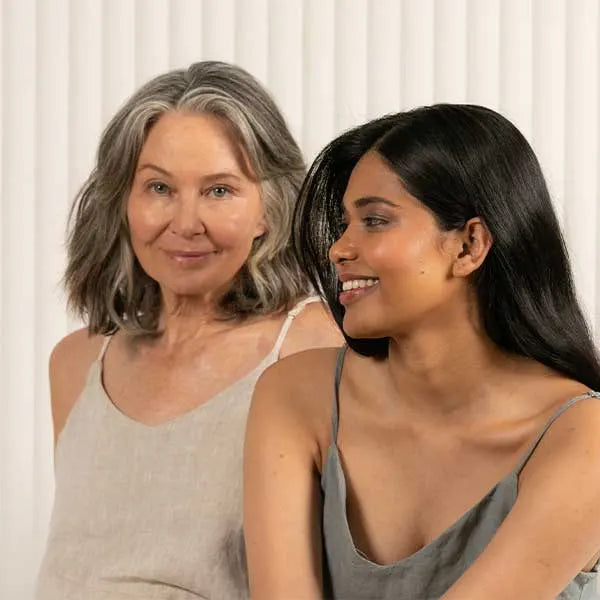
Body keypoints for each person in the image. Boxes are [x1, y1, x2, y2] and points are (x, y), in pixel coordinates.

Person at [244, 104, 600, 599]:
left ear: (469, 245)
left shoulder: (582, 438)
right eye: (346, 223)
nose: (338, 249)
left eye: (374, 220)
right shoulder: (295, 395)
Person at [35, 61, 342, 600]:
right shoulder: (76, 362)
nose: (185, 222)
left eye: (219, 191)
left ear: (268, 209)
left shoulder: (312, 345)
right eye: (158, 187)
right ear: (124, 203)